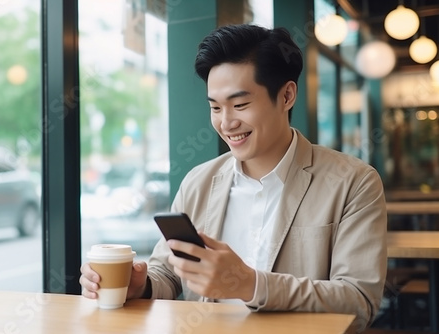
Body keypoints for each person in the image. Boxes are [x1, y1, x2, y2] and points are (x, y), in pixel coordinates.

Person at [80, 24, 387, 333]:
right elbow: (171, 274)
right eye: (215, 107)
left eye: (240, 105)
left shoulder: (354, 183)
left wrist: (252, 285)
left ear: (287, 96)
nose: (226, 123)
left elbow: (359, 301)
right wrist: (142, 285)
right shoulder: (198, 182)